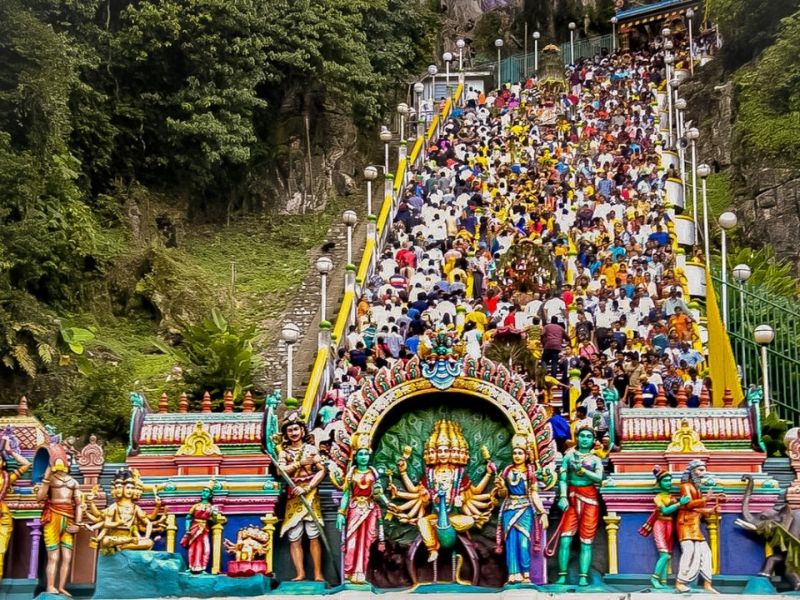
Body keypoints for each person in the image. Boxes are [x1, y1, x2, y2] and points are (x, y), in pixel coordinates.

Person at [550, 427, 604, 586]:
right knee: (565, 539)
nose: (585, 439)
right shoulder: (569, 456)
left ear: (593, 440)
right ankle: (562, 575)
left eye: (589, 436)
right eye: (582, 436)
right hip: (571, 498)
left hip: (590, 500)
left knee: (586, 542)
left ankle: (583, 576)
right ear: (577, 438)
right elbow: (563, 479)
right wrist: (563, 497)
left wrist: (583, 471)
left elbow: (599, 478)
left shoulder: (595, 460)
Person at [494, 435, 550, 584]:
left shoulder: (530, 473)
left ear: (526, 455)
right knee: (510, 543)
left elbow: (534, 494)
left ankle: (526, 574)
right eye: (515, 453)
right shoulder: (507, 471)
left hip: (525, 509)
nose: (517, 456)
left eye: (520, 453)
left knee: (523, 543)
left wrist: (542, 512)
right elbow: (503, 494)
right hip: (509, 508)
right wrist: (501, 487)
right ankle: (513, 574)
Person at [278, 411, 327, 581]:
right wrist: (299, 463)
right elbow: (280, 471)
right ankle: (300, 573)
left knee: (313, 534)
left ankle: (318, 574)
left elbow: (322, 471)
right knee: (295, 536)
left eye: (296, 429)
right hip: (293, 495)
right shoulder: (284, 453)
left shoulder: (311, 450)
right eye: (290, 430)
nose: (293, 433)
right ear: (286, 434)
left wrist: (309, 487)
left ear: (303, 431)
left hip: (310, 493)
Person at [336, 436, 387, 584]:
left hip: (369, 510)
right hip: (355, 509)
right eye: (360, 454)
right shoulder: (352, 473)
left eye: (366, 454)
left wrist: (387, 502)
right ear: (355, 456)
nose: (363, 457)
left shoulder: (373, 472)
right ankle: (348, 572)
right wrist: (340, 512)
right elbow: (346, 494)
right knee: (351, 542)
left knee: (366, 543)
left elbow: (378, 492)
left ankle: (361, 572)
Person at [36, 443, 82, 596]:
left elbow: (79, 505)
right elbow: (39, 498)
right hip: (53, 517)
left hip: (69, 519)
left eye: (66, 458)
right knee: (53, 556)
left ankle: (61, 586)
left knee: (67, 557)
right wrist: (47, 478)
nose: (62, 461)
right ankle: (50, 586)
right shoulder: (50, 480)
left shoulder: (73, 482)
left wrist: (78, 524)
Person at [676, 459, 723, 594]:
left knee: (706, 553)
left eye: (704, 469)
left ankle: (707, 584)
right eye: (700, 470)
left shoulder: (697, 488)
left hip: (695, 524)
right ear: (692, 471)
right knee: (689, 551)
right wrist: (705, 500)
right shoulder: (685, 486)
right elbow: (689, 505)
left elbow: (697, 509)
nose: (703, 473)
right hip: (685, 523)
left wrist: (711, 510)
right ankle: (680, 582)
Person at [639, 465, 689, 588]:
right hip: (660, 524)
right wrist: (679, 504)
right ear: (659, 483)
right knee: (665, 554)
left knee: (668, 555)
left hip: (670, 525)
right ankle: (654, 578)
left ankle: (664, 581)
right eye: (665, 481)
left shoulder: (672, 497)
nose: (668, 483)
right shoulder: (658, 497)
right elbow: (665, 511)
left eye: (669, 480)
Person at [0, 434, 30, 578]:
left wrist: (10, 451)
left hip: (2, 516)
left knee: (0, 553)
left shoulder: (6, 478)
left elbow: (26, 464)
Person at [180, 482, 221, 573]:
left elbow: (214, 521)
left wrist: (214, 515)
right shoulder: (196, 506)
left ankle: (202, 567)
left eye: (206, 492)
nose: (204, 493)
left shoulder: (212, 507)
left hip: (204, 529)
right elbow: (188, 518)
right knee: (193, 547)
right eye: (203, 491)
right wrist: (187, 530)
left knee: (205, 548)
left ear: (210, 495)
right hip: (194, 528)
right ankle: (192, 567)